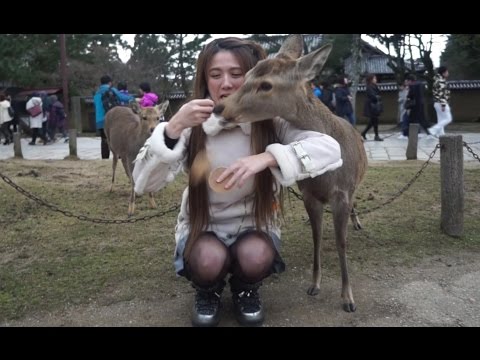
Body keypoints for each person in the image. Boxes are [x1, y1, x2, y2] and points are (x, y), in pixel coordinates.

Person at [132, 37, 343, 327]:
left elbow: (330, 149)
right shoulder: (192, 128)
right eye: (216, 75)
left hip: (253, 227)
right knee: (207, 260)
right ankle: (207, 290)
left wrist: (267, 158)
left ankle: (246, 288)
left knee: (255, 256)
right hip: (204, 226)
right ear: (205, 80)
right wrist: (174, 126)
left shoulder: (270, 124)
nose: (227, 84)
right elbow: (143, 184)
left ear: (250, 76)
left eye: (236, 74)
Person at [93, 75, 133, 159]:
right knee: (117, 138)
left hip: (99, 120)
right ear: (110, 82)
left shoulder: (96, 93)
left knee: (104, 140)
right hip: (112, 119)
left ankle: (105, 158)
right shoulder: (112, 90)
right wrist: (133, 99)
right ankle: (119, 156)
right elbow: (123, 98)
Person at [429, 66, 452, 137]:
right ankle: (433, 130)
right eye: (447, 72)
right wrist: (443, 104)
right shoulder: (441, 81)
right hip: (441, 102)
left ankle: (440, 134)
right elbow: (441, 94)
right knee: (448, 118)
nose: (448, 73)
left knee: (441, 119)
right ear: (444, 72)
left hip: (436, 103)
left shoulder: (436, 80)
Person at [361, 73, 384, 141]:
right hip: (372, 106)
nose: (375, 79)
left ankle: (364, 133)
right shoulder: (369, 87)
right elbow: (372, 96)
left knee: (372, 122)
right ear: (371, 79)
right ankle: (376, 136)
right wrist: (378, 97)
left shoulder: (374, 86)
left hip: (374, 106)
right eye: (374, 78)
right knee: (375, 121)